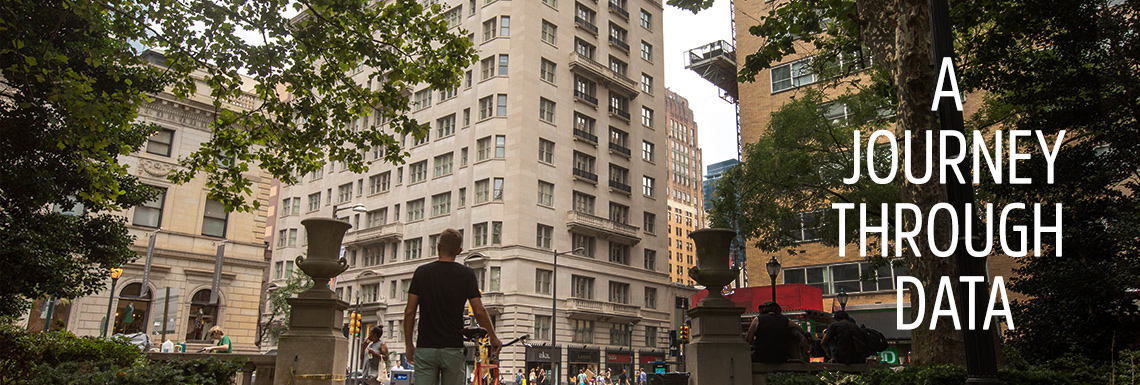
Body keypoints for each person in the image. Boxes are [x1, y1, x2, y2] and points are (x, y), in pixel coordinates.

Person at [404, 229, 502, 385]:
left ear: (438, 247)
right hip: (453, 348)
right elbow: (479, 311)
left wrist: (409, 345)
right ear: (459, 251)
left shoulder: (422, 273)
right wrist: (493, 336)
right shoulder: (466, 274)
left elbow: (409, 312)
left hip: (426, 347)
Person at [745, 301, 810, 363]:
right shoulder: (786, 320)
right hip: (780, 357)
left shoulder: (757, 320)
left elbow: (748, 340)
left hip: (761, 356)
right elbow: (801, 330)